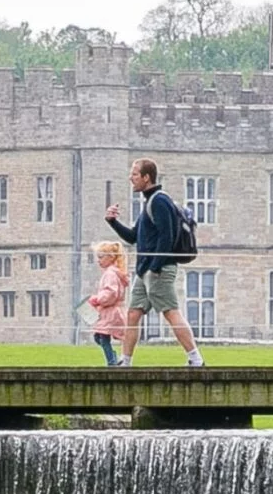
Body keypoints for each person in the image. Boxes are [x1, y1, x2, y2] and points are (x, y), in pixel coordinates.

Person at [104, 157, 206, 368]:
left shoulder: (159, 201)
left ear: (146, 177)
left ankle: (196, 359)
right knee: (133, 313)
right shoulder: (150, 203)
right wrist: (113, 222)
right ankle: (126, 362)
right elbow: (133, 237)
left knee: (170, 312)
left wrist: (155, 266)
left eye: (134, 174)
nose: (130, 178)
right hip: (145, 271)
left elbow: (166, 238)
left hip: (157, 270)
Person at [87, 238, 130, 367]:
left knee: (103, 337)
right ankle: (113, 356)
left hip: (110, 311)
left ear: (111, 258)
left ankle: (111, 362)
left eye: (101, 257)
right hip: (107, 311)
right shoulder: (110, 273)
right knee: (98, 337)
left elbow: (111, 293)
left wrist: (97, 299)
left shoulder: (110, 274)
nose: (98, 260)